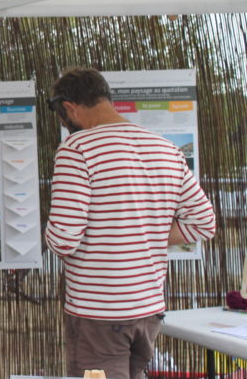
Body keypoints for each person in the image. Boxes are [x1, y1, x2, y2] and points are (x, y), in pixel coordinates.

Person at [45, 67, 216, 379]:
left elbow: (63, 239)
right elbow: (202, 223)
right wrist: (142, 234)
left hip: (99, 314)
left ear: (69, 107)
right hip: (148, 310)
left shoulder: (77, 148)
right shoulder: (165, 148)